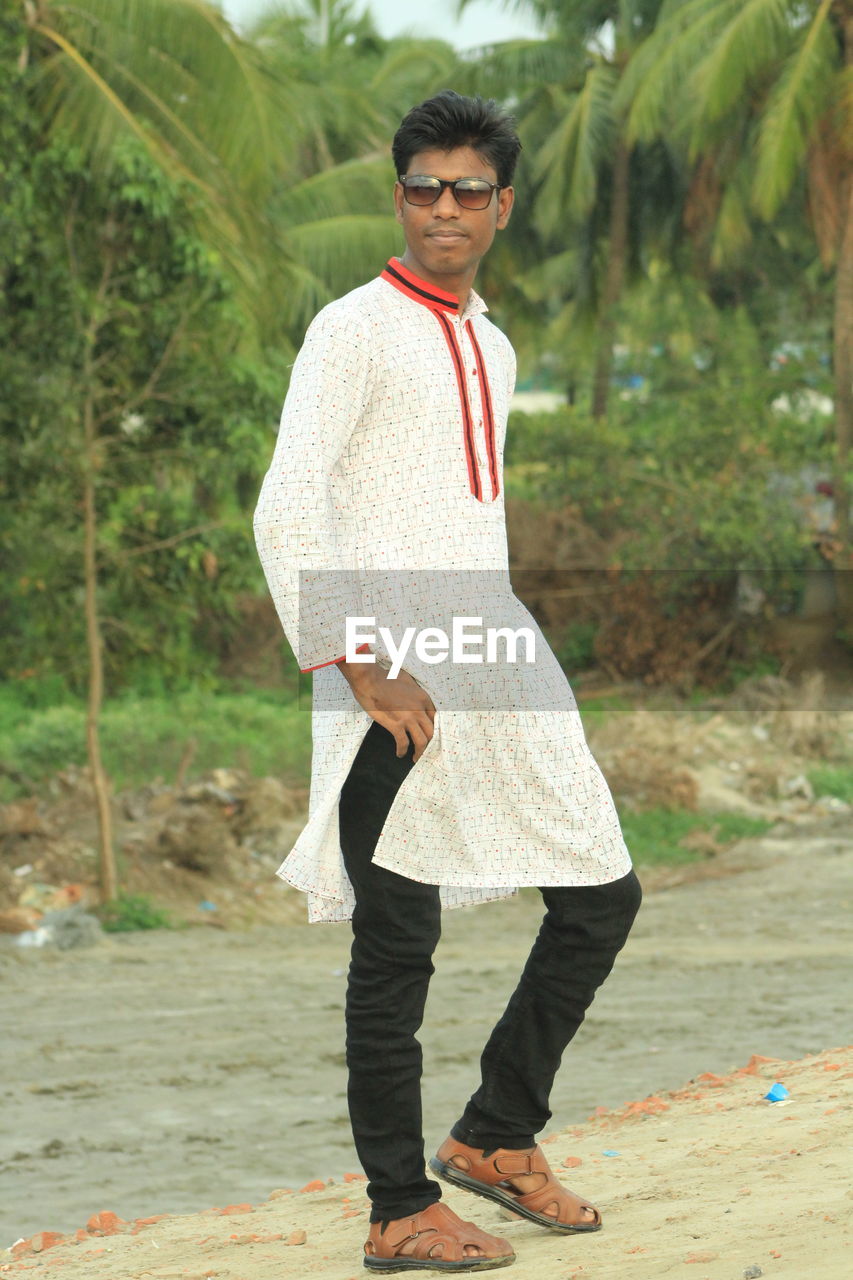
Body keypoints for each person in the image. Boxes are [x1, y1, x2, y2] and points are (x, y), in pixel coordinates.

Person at [254, 90, 642, 1274]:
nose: (443, 207)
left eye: (467, 189)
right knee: (398, 938)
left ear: (502, 206)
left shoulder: (494, 340)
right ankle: (395, 1207)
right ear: (399, 195)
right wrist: (363, 663)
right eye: (422, 186)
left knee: (598, 892)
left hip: (490, 646)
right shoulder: (351, 328)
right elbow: (288, 501)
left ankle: (495, 1134)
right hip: (390, 665)